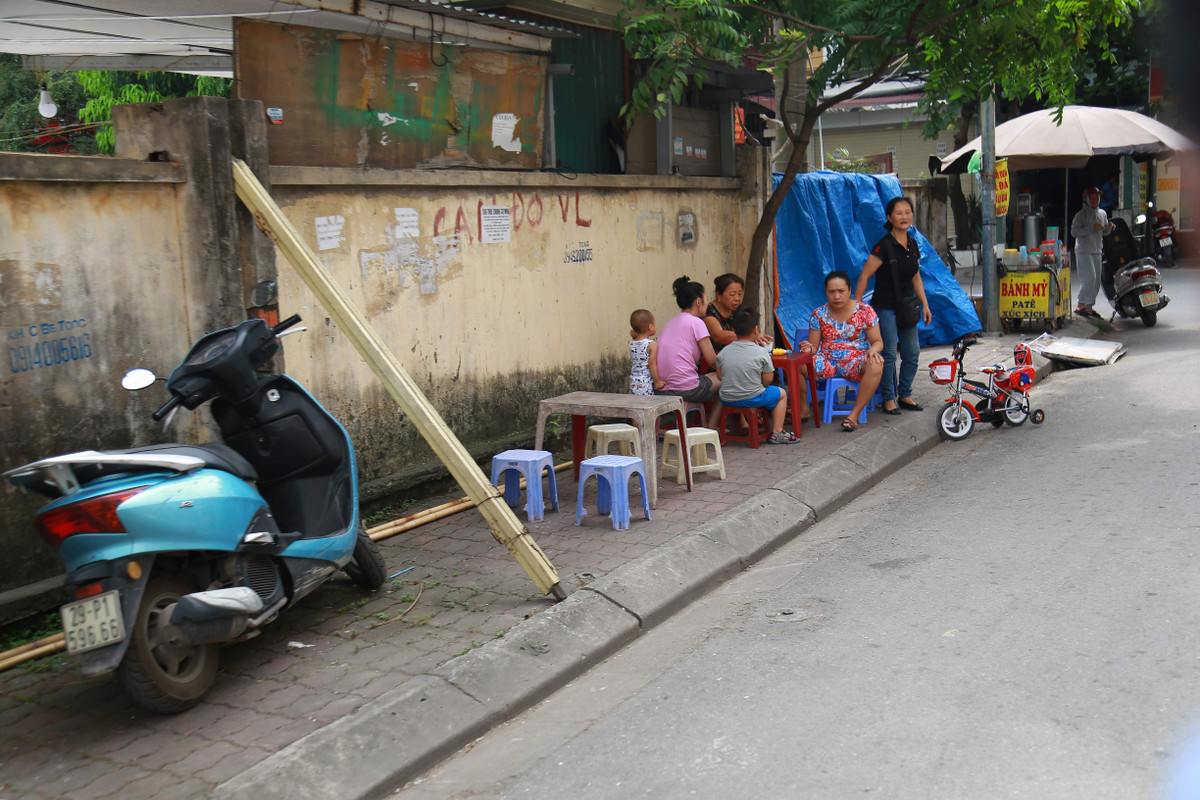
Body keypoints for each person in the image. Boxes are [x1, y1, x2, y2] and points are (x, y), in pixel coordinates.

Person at [853, 196, 932, 416]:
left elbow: (916, 278)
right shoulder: (883, 245)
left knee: (912, 352)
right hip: (885, 307)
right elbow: (864, 277)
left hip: (908, 306)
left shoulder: (913, 243)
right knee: (888, 354)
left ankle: (905, 393)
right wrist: (858, 310)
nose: (904, 217)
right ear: (889, 217)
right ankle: (888, 398)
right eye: (899, 213)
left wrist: (925, 305)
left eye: (908, 212)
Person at [799, 271, 884, 432]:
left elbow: (878, 342)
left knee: (876, 363)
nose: (836, 296)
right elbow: (815, 346)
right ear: (826, 292)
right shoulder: (819, 314)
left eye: (841, 291)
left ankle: (854, 415)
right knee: (798, 364)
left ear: (849, 291)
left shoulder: (865, 311)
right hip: (828, 361)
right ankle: (803, 408)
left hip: (857, 360)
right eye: (831, 292)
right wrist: (809, 348)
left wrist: (873, 350)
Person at [715, 308, 797, 445]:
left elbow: (720, 376)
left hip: (727, 398)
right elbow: (768, 379)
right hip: (753, 398)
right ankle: (777, 432)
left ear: (734, 329)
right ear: (756, 330)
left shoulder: (724, 352)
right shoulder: (761, 352)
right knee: (781, 394)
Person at [655, 275, 722, 426]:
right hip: (686, 389)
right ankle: (711, 427)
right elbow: (712, 361)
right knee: (725, 376)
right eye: (706, 299)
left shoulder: (670, 322)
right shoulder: (697, 323)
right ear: (699, 302)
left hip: (661, 388)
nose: (707, 304)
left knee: (712, 375)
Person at [1071, 186, 1114, 320]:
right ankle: (1080, 305)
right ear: (1086, 200)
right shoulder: (1080, 216)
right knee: (1089, 278)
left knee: (1096, 280)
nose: (1095, 201)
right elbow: (1074, 232)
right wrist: (1090, 228)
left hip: (1096, 249)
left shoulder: (1102, 214)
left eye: (1096, 198)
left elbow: (1104, 232)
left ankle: (1089, 306)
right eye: (1092, 198)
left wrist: (1109, 228)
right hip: (1083, 250)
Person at [704, 273, 771, 353]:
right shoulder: (709, 313)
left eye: (740, 294)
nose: (737, 298)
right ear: (718, 294)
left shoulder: (739, 310)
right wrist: (751, 335)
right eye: (732, 294)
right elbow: (719, 336)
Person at [628, 309, 660, 396]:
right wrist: (657, 381)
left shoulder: (631, 343)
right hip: (645, 384)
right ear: (650, 327)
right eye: (654, 324)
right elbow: (652, 364)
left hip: (633, 383)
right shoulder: (652, 344)